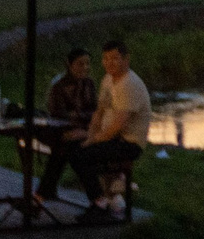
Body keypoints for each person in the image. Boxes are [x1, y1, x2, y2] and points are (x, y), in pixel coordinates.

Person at [63, 39, 150, 223]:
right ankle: (97, 199)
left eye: (115, 58)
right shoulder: (108, 79)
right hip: (112, 138)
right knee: (68, 146)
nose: (109, 63)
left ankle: (99, 203)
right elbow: (99, 112)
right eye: (106, 58)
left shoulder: (130, 85)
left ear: (126, 60)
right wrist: (89, 133)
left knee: (81, 154)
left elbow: (117, 127)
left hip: (128, 143)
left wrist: (91, 140)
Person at [35, 48, 97, 203]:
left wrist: (83, 124)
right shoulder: (59, 86)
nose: (85, 68)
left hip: (82, 131)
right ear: (69, 65)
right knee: (65, 146)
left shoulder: (89, 84)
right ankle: (97, 198)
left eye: (87, 64)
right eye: (80, 64)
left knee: (64, 149)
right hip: (60, 130)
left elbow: (95, 111)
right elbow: (58, 113)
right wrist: (80, 118)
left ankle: (41, 195)